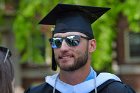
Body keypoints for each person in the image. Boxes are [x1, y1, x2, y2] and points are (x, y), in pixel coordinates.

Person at [24, 3, 136, 93]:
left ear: (91, 45)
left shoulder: (116, 91)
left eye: (72, 40)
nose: (63, 48)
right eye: (57, 41)